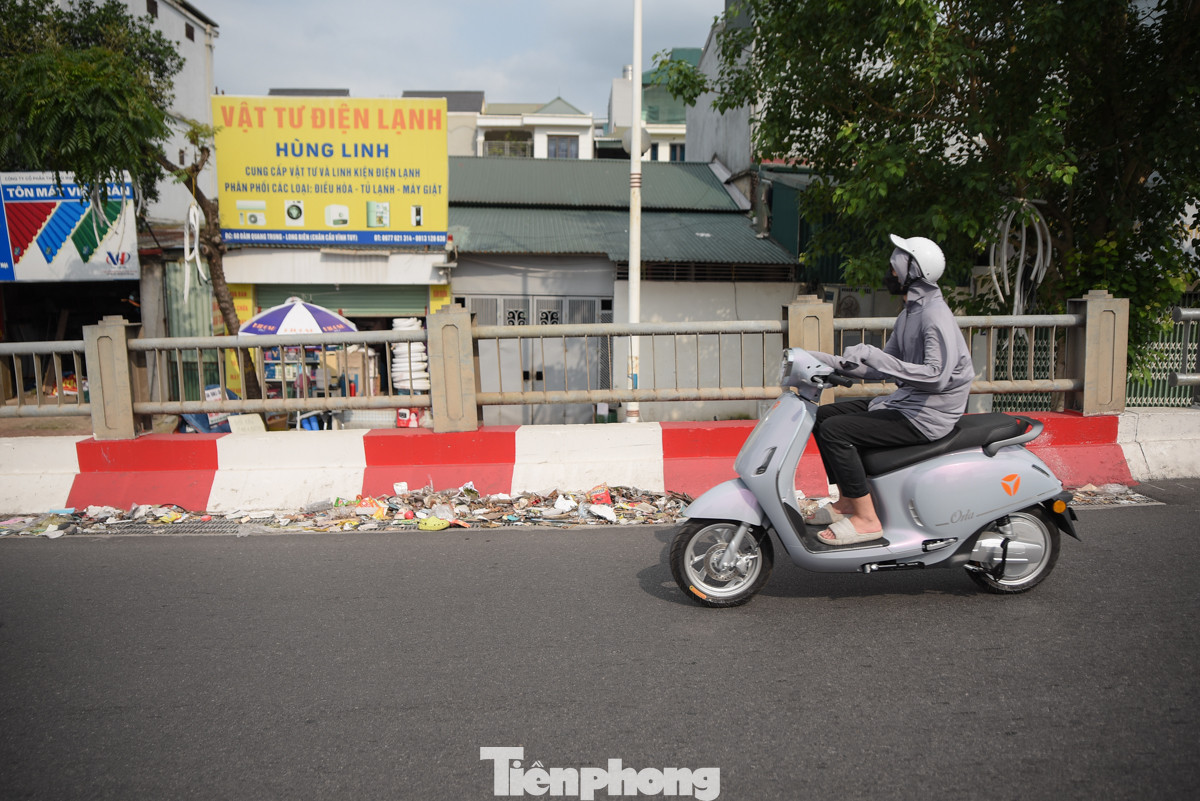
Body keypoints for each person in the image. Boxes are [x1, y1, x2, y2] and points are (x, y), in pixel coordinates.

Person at [809, 234, 975, 545]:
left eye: (895, 266)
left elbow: (936, 377)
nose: (891, 273)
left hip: (927, 416)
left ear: (914, 270)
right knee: (823, 417)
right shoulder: (909, 314)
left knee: (836, 431)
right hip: (904, 402)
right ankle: (848, 501)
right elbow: (882, 369)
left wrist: (876, 355)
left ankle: (867, 520)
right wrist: (825, 362)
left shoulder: (934, 317)